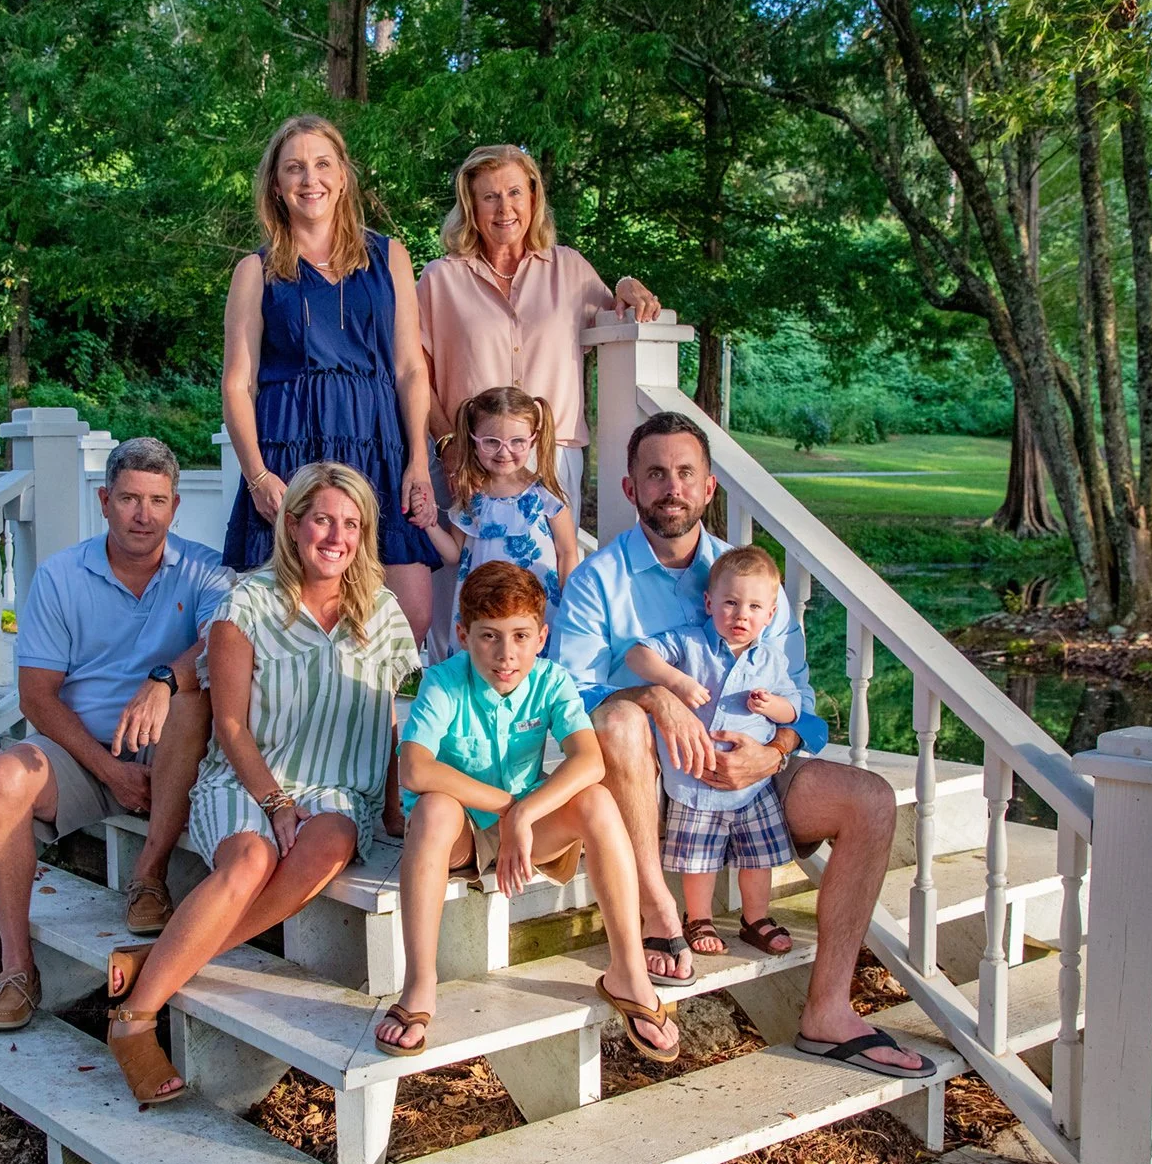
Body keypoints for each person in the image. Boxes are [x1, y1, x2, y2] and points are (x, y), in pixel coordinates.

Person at [556, 411, 936, 1078]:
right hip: (643, 786)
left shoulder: (754, 581)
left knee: (871, 800)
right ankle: (657, 911)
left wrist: (777, 748)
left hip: (750, 777)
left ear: (707, 488)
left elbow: (808, 710)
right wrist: (653, 697)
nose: (670, 486)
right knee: (617, 721)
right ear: (629, 487)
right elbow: (569, 710)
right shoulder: (598, 582)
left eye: (684, 473)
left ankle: (826, 1010)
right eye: (654, 474)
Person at [105, 463, 420, 1105]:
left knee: (330, 842)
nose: (336, 536)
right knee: (250, 858)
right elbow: (227, 723)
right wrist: (274, 803)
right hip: (247, 779)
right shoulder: (245, 603)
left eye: (351, 524)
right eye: (323, 519)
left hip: (336, 787)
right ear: (294, 523)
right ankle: (132, 1020)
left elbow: (400, 714)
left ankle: (167, 960)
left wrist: (395, 806)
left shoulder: (382, 611)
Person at [0, 438, 230, 1032]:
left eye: (158, 501)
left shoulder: (202, 568)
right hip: (84, 754)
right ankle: (16, 967)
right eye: (130, 499)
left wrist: (164, 679)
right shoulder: (62, 575)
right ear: (104, 501)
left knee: (192, 701)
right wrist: (107, 767)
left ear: (175, 506)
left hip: (172, 751)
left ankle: (149, 875)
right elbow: (37, 696)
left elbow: (223, 640)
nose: (144, 514)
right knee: (4, 778)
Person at [376, 562, 680, 1062]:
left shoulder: (551, 681)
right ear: (462, 635)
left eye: (520, 636)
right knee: (433, 810)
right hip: (460, 832)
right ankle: (420, 983)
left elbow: (589, 760)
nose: (505, 654)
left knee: (598, 799)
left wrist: (526, 814)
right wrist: (509, 809)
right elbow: (414, 769)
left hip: (528, 826)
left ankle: (628, 970)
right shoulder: (443, 682)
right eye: (488, 636)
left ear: (542, 636)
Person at [416, 143, 661, 658]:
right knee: (463, 589)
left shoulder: (568, 268)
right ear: (470, 206)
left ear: (534, 197)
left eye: (514, 193)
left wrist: (626, 282)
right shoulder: (441, 278)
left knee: (544, 585)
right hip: (469, 456)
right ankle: (461, 698)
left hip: (551, 454)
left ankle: (540, 701)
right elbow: (417, 373)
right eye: (488, 197)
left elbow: (611, 307)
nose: (504, 208)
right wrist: (447, 444)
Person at [221, 114, 440, 643]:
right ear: (276, 184)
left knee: (409, 613)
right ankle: (288, 723)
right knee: (280, 620)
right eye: (294, 167)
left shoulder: (389, 257)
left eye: (322, 164)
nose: (309, 179)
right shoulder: (257, 269)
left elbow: (411, 368)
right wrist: (257, 475)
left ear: (343, 176)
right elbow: (237, 384)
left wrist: (418, 461)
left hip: (376, 445)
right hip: (290, 447)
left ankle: (380, 720)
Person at [625, 546, 801, 959]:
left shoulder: (771, 660)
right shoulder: (689, 643)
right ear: (709, 603)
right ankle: (698, 917)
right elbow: (637, 655)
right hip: (696, 780)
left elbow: (794, 707)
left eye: (755, 607)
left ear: (770, 614)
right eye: (730, 603)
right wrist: (677, 682)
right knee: (699, 859)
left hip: (752, 787)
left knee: (758, 857)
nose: (741, 615)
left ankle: (755, 916)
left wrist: (771, 706)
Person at [422, 386, 579, 646]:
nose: (504, 452)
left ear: (534, 437)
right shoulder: (471, 497)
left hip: (536, 614)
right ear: (473, 438)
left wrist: (571, 603)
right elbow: (453, 554)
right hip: (482, 612)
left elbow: (567, 553)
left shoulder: (546, 497)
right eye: (491, 442)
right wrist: (429, 523)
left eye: (517, 442)